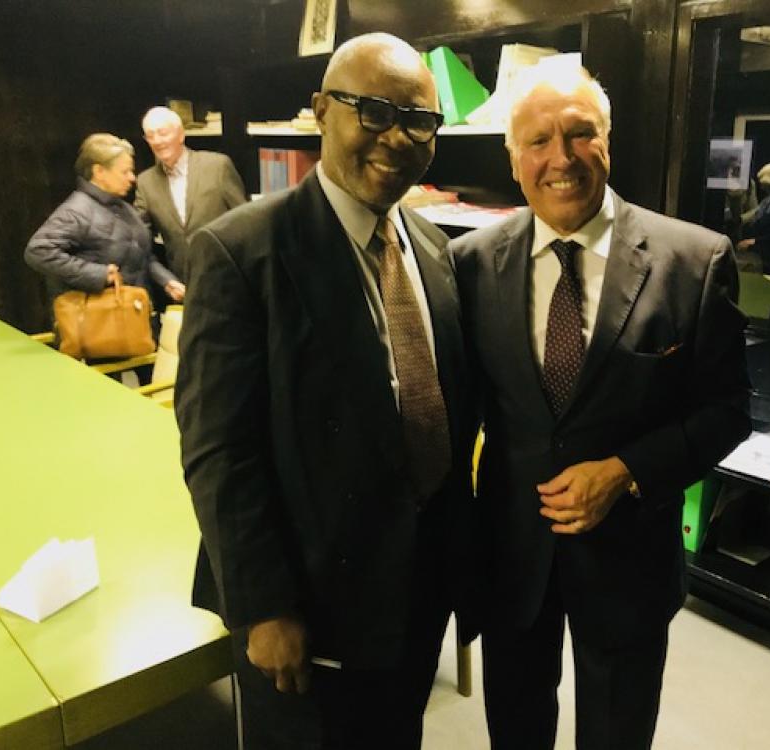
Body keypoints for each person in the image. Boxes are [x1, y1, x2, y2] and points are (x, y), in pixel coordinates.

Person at [175, 33, 476, 750]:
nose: (396, 137)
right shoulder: (241, 251)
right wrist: (263, 607)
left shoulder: (433, 248)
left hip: (415, 587)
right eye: (373, 111)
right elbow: (219, 452)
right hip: (308, 606)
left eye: (419, 120)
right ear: (320, 110)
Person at [450, 66, 751, 749]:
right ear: (513, 158)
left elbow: (728, 410)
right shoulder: (469, 264)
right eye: (538, 141)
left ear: (607, 142)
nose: (560, 158)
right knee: (515, 732)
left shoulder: (692, 261)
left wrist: (626, 471)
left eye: (580, 134)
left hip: (628, 563)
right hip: (512, 558)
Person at [25, 133, 184, 327]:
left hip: (133, 317)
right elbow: (38, 251)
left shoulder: (124, 208)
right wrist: (98, 274)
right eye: (124, 172)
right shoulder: (75, 211)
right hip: (96, 325)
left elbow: (142, 255)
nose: (132, 178)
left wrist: (166, 281)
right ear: (99, 171)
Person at [135, 106, 246, 282]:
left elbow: (244, 222)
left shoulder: (217, 167)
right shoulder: (145, 182)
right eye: (150, 136)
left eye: (163, 133)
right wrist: (165, 280)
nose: (157, 141)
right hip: (182, 281)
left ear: (181, 134)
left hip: (227, 275)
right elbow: (139, 241)